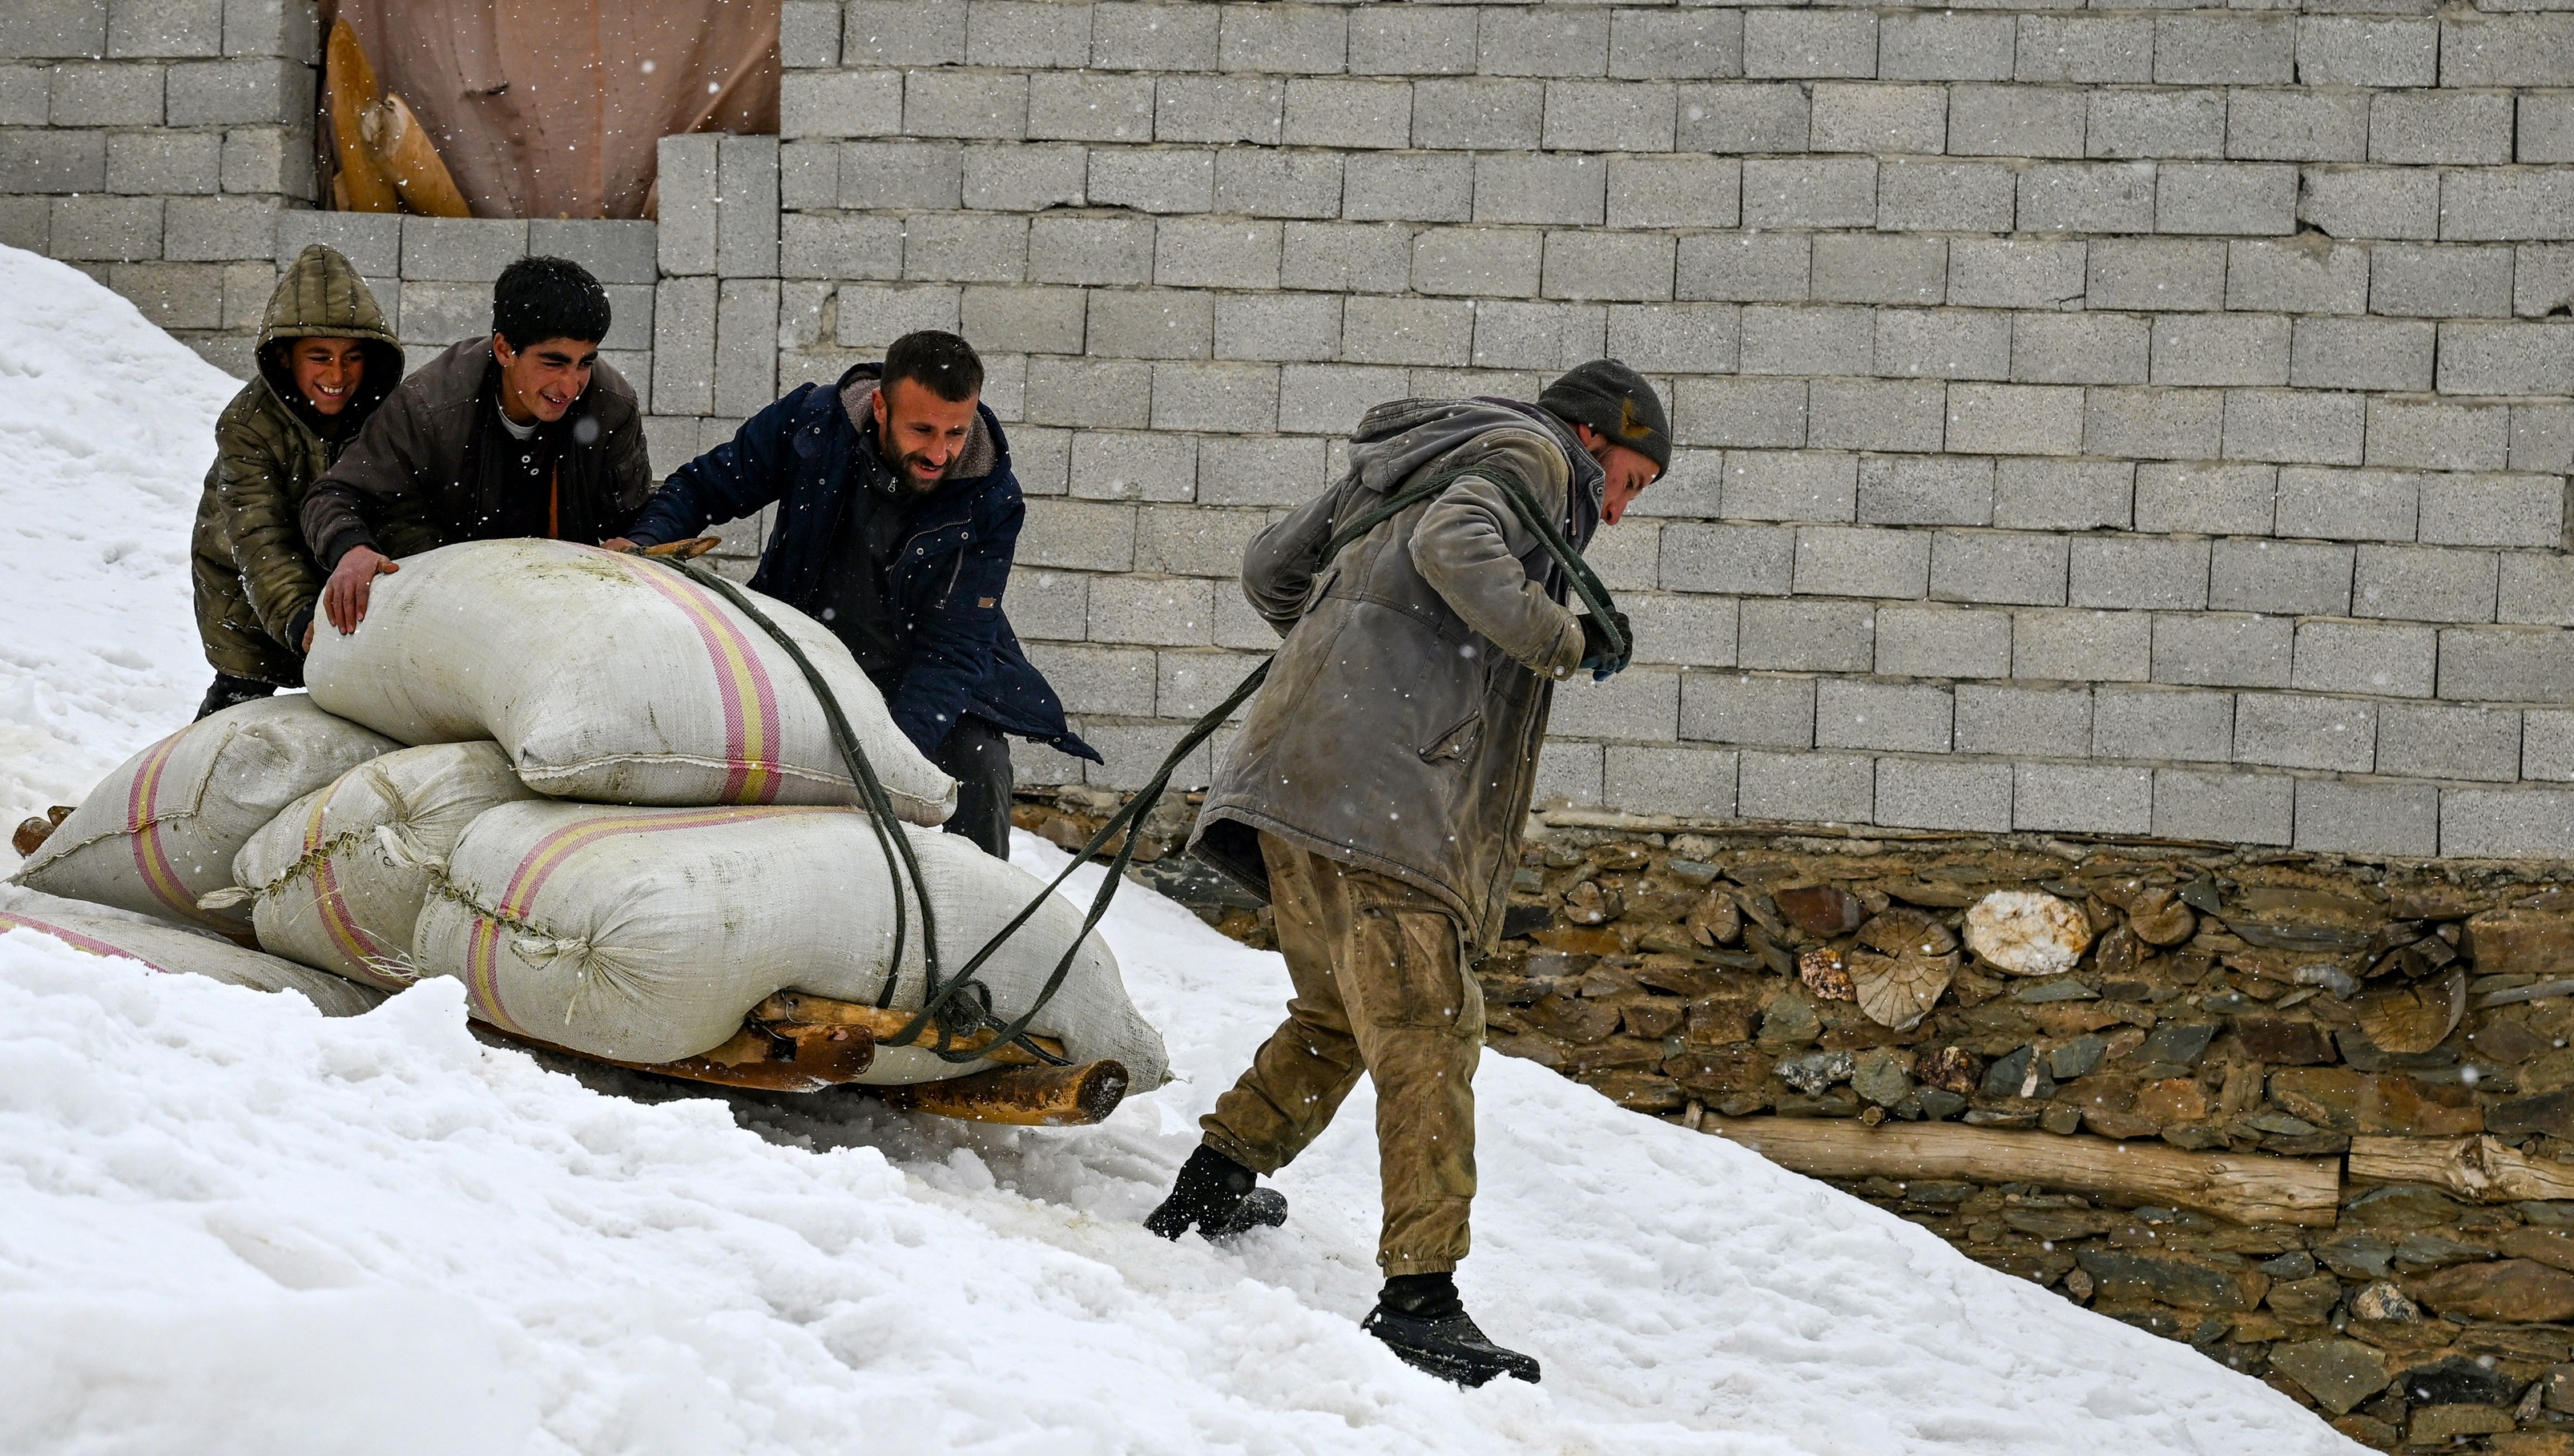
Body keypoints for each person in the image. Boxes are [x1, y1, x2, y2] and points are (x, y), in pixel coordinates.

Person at [1144, 359, 1671, 1390]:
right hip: (1382, 797)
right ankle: (1419, 1301)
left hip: (1296, 774)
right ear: (1596, 436)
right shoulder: (1530, 453)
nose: (1615, 509)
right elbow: (1454, 544)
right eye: (1630, 482)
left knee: (1337, 1013)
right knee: (1429, 1030)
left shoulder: (1409, 458)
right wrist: (1560, 637)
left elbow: (1269, 572)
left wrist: (1356, 652)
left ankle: (1214, 1183)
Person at [606, 331, 1094, 856]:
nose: (939, 452)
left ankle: (977, 932)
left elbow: (952, 651)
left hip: (918, 683)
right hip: (799, 654)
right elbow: (707, 485)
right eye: (923, 429)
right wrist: (645, 542)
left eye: (956, 432)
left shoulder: (989, 498)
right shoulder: (814, 424)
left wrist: (888, 763)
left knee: (982, 764)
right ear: (881, 406)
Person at [303, 255, 652, 638]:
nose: (570, 386)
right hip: (448, 607)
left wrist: (637, 543)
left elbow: (631, 518)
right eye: (553, 363)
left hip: (563, 606)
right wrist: (352, 550)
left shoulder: (610, 404)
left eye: (584, 363)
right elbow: (334, 494)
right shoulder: (430, 406)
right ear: (504, 349)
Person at [189, 244, 409, 719]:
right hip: (247, 584)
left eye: (352, 357)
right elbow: (258, 535)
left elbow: (405, 510)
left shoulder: (388, 417)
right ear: (286, 358)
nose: (337, 375)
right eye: (320, 357)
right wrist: (301, 618)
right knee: (233, 711)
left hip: (348, 572)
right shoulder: (247, 424)